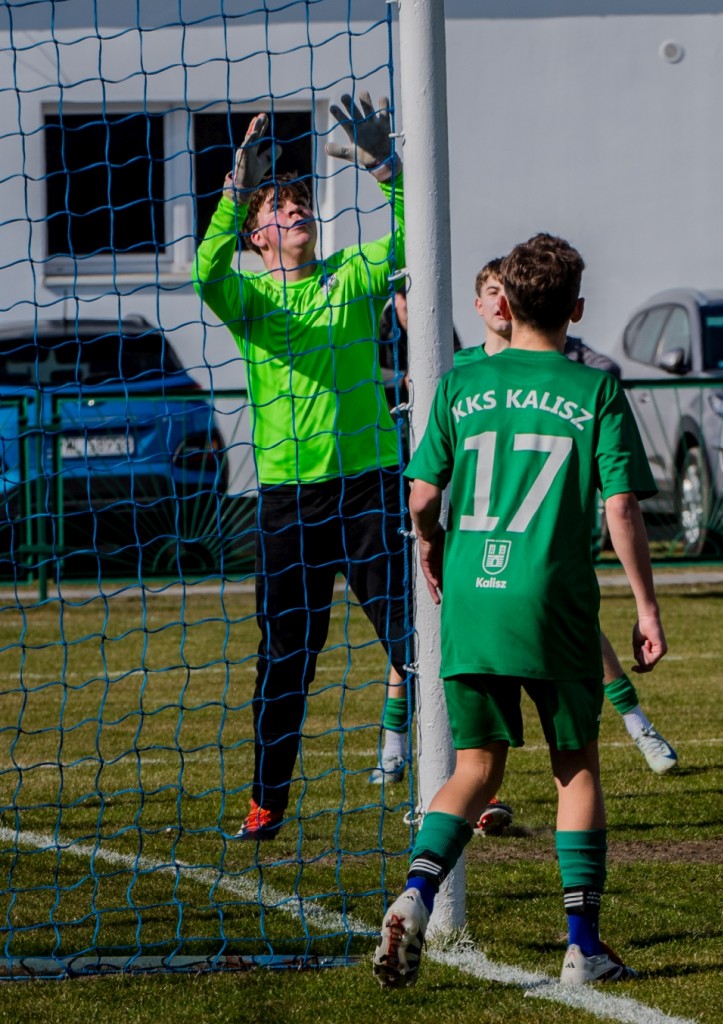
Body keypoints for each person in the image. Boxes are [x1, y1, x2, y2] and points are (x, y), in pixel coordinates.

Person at [373, 234, 664, 988]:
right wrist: (646, 606)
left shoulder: (462, 384)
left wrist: (430, 545)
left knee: (475, 766)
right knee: (575, 766)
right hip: (552, 600)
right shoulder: (595, 389)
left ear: (503, 302)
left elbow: (423, 497)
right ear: (576, 309)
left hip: (472, 597)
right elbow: (622, 506)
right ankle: (582, 947)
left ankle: (415, 894)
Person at [193, 97, 414, 839]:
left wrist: (386, 168)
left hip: (369, 489)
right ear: (257, 236)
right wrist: (235, 192)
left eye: (301, 204)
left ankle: (464, 784)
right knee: (287, 657)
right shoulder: (251, 297)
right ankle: (267, 800)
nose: (296, 212)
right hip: (289, 504)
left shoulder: (352, 273)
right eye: (279, 208)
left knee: (414, 640)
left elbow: (415, 236)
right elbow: (203, 274)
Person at [462, 258, 678, 777]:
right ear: (480, 304)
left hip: (539, 550)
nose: (498, 302)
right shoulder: (459, 374)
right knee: (413, 640)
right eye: (489, 291)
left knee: (577, 634)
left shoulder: (575, 374)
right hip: (476, 548)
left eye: (503, 290)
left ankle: (635, 720)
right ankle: (396, 746)